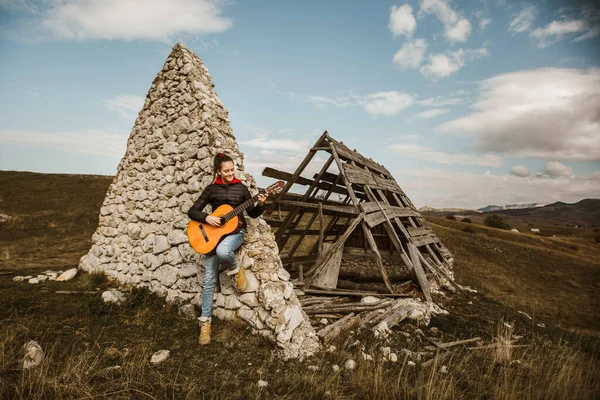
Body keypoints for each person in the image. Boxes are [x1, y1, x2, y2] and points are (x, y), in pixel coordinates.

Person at [187, 153, 268, 345]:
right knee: (208, 280)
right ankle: (205, 323)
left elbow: (253, 213)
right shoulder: (211, 189)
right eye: (227, 170)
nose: (231, 173)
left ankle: (235, 269)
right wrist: (206, 218)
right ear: (218, 171)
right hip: (212, 237)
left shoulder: (241, 188)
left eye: (232, 169)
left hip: (235, 233)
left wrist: (261, 203)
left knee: (224, 251)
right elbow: (192, 211)